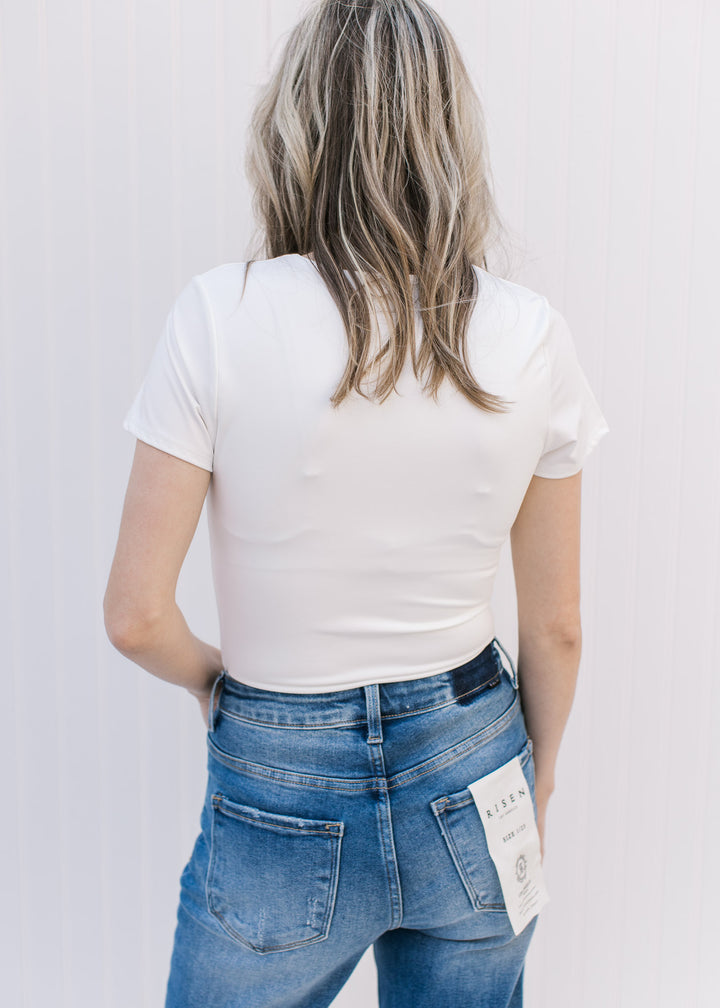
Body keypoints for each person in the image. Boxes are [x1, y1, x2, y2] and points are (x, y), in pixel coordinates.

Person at [103, 1, 609, 1005]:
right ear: (449, 134)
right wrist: (536, 778)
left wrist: (217, 689)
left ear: (294, 130)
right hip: (477, 764)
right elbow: (556, 627)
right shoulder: (530, 332)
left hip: (278, 772)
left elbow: (136, 617)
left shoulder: (218, 317)